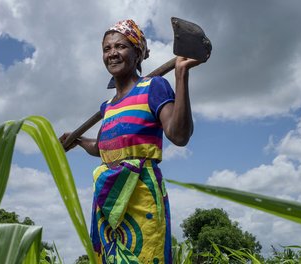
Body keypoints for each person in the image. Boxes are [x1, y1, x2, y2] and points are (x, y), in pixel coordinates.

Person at [60, 19, 204, 264]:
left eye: (121, 46)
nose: (112, 53)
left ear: (137, 53)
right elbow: (107, 148)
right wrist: (80, 141)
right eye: (107, 48)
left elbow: (178, 135)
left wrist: (181, 74)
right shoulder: (107, 107)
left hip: (141, 196)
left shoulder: (153, 87)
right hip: (108, 199)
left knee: (146, 255)